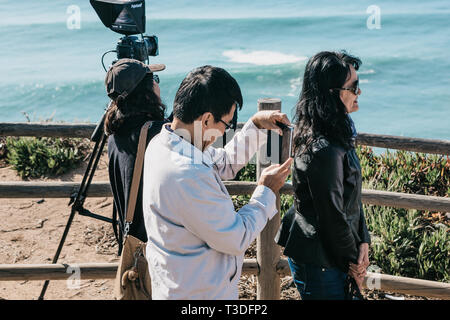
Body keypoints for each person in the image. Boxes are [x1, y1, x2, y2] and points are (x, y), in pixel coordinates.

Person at [142, 65, 293, 299]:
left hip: (177, 286)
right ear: (206, 120)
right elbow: (236, 237)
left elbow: (222, 163)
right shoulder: (188, 173)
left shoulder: (163, 144)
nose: (226, 132)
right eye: (227, 124)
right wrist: (266, 191)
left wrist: (255, 127)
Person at [275, 51, 371, 300]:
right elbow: (331, 214)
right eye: (354, 87)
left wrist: (363, 240)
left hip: (334, 253)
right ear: (332, 93)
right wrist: (352, 262)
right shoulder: (323, 148)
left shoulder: (338, 131)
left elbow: (351, 197)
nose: (359, 92)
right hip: (320, 260)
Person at [105, 58, 168, 253]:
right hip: (158, 245)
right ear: (146, 90)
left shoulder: (114, 136)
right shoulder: (158, 134)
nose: (157, 84)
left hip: (134, 245)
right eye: (154, 79)